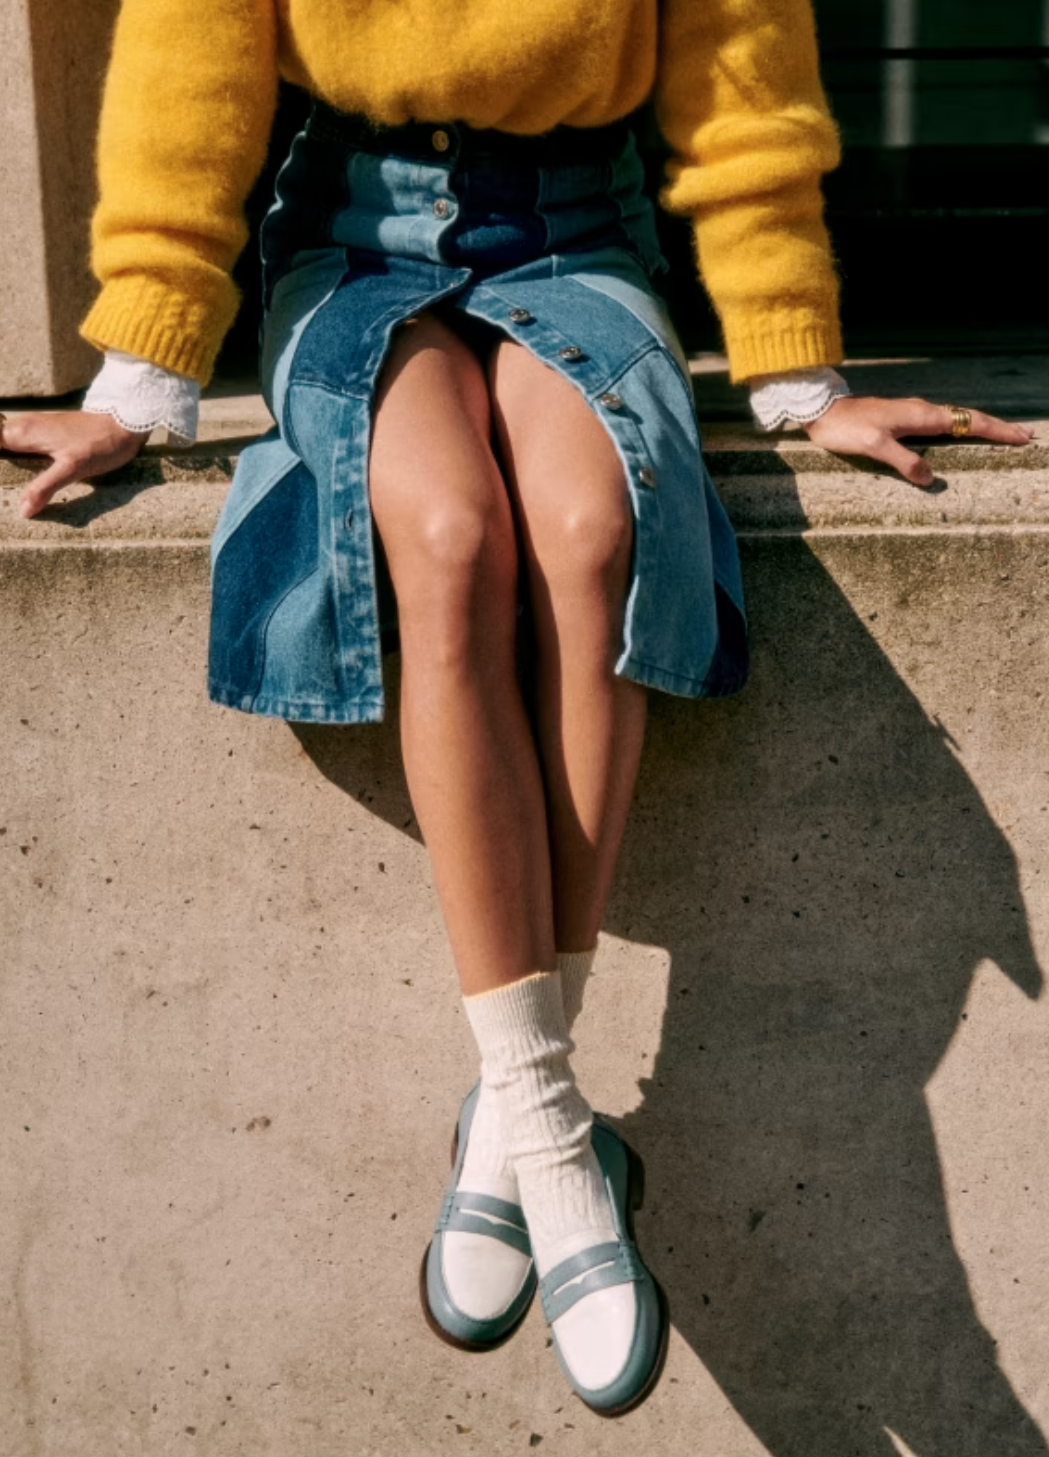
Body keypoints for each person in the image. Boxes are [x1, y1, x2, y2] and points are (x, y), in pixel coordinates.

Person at [0, 0, 1033, 1418]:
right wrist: (142, 378)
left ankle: (522, 1113)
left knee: (593, 532)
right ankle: (556, 1135)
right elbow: (191, 73)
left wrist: (799, 375)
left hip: (577, 229)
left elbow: (743, 91)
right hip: (353, 231)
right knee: (444, 538)